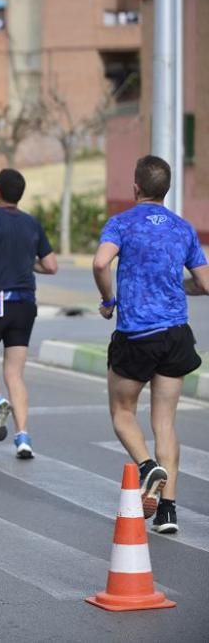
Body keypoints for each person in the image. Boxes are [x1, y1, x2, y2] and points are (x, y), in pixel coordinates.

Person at [93, 155, 208, 534]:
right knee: (166, 424)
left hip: (137, 336)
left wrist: (109, 301)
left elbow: (99, 263)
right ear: (167, 189)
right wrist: (179, 287)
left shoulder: (122, 223)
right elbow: (205, 284)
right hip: (176, 336)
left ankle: (146, 467)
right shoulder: (183, 228)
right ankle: (169, 512)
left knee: (123, 412)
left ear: (136, 187)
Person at [0, 168, 58, 458]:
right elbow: (52, 265)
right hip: (24, 302)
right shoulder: (32, 224)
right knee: (15, 373)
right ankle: (23, 437)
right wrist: (27, 263)